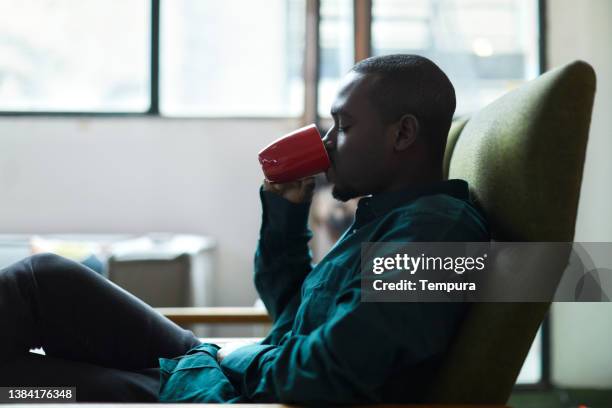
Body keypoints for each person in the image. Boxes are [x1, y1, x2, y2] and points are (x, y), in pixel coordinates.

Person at [0, 54, 488, 403]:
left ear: (402, 133)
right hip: (234, 374)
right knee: (44, 280)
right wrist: (284, 215)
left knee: (22, 384)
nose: (326, 143)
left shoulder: (435, 237)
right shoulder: (393, 221)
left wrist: (226, 360)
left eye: (342, 125)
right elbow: (296, 313)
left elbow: (331, 373)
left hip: (233, 394)